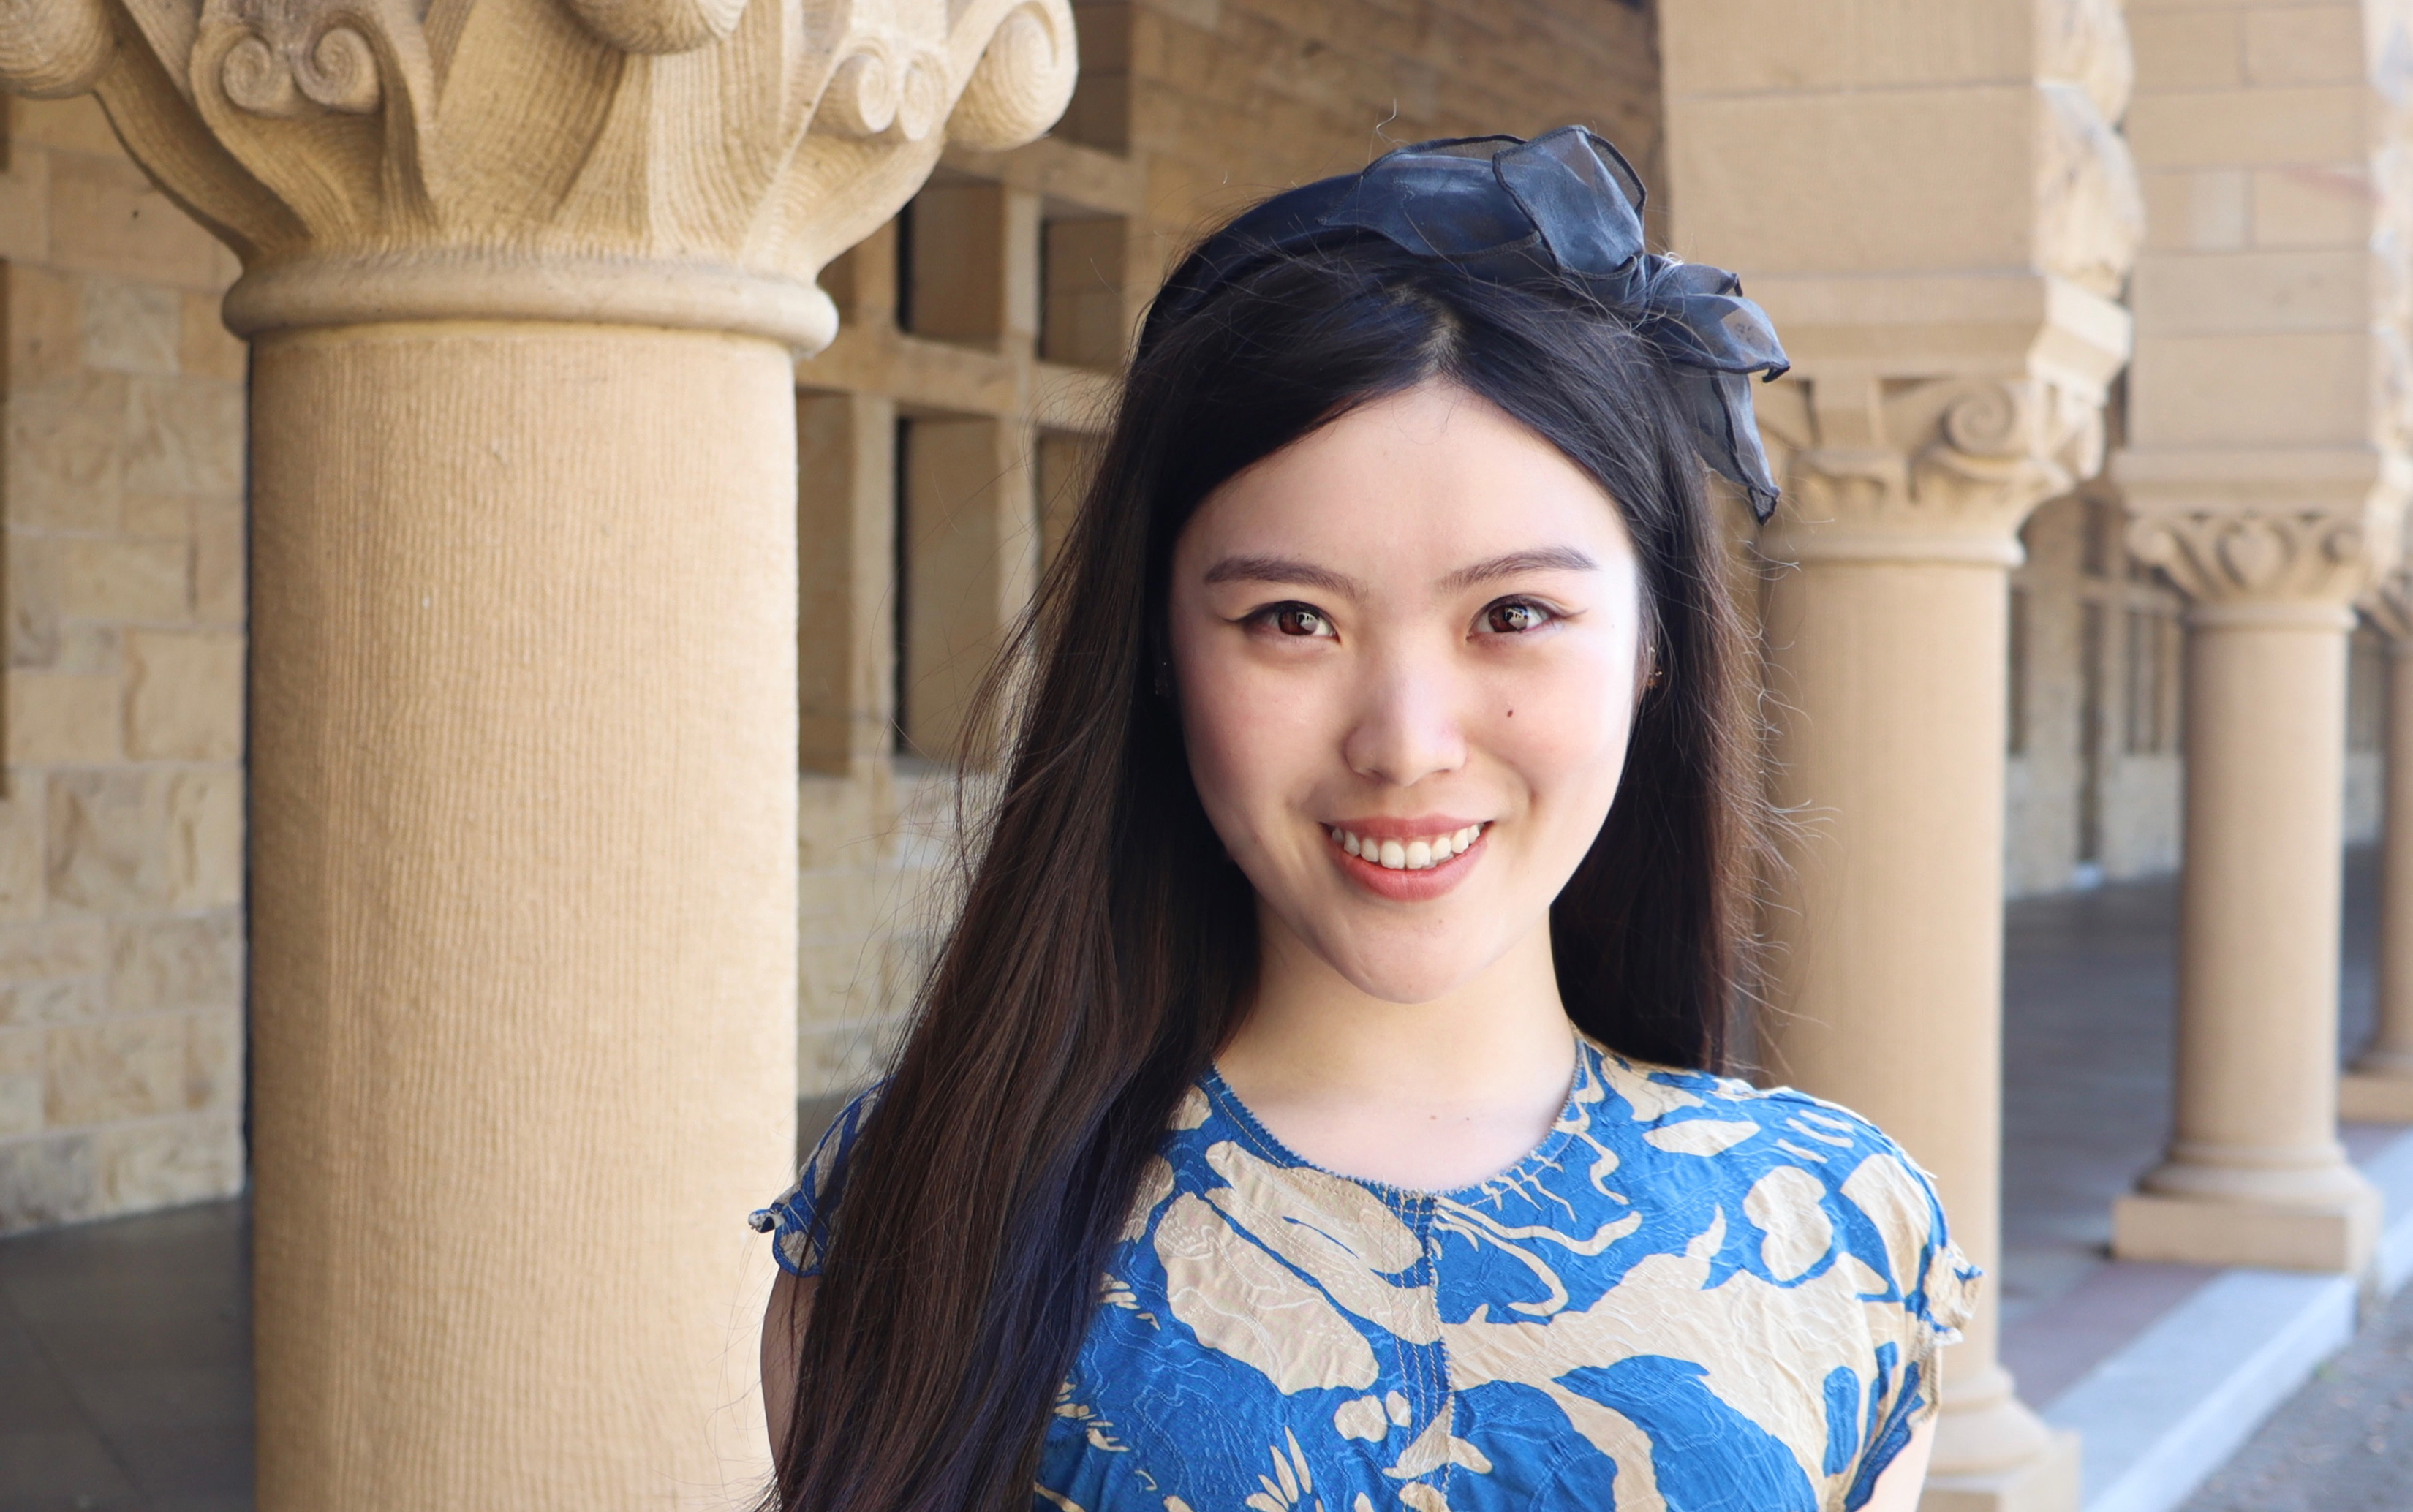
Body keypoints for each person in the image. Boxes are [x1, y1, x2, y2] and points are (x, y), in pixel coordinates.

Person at [753, 128, 1976, 1512]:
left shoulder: (1836, 1231)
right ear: (1158, 651)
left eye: (1513, 616)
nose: (1404, 742)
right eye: (1292, 620)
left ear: (1652, 647)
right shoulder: (925, 1211)